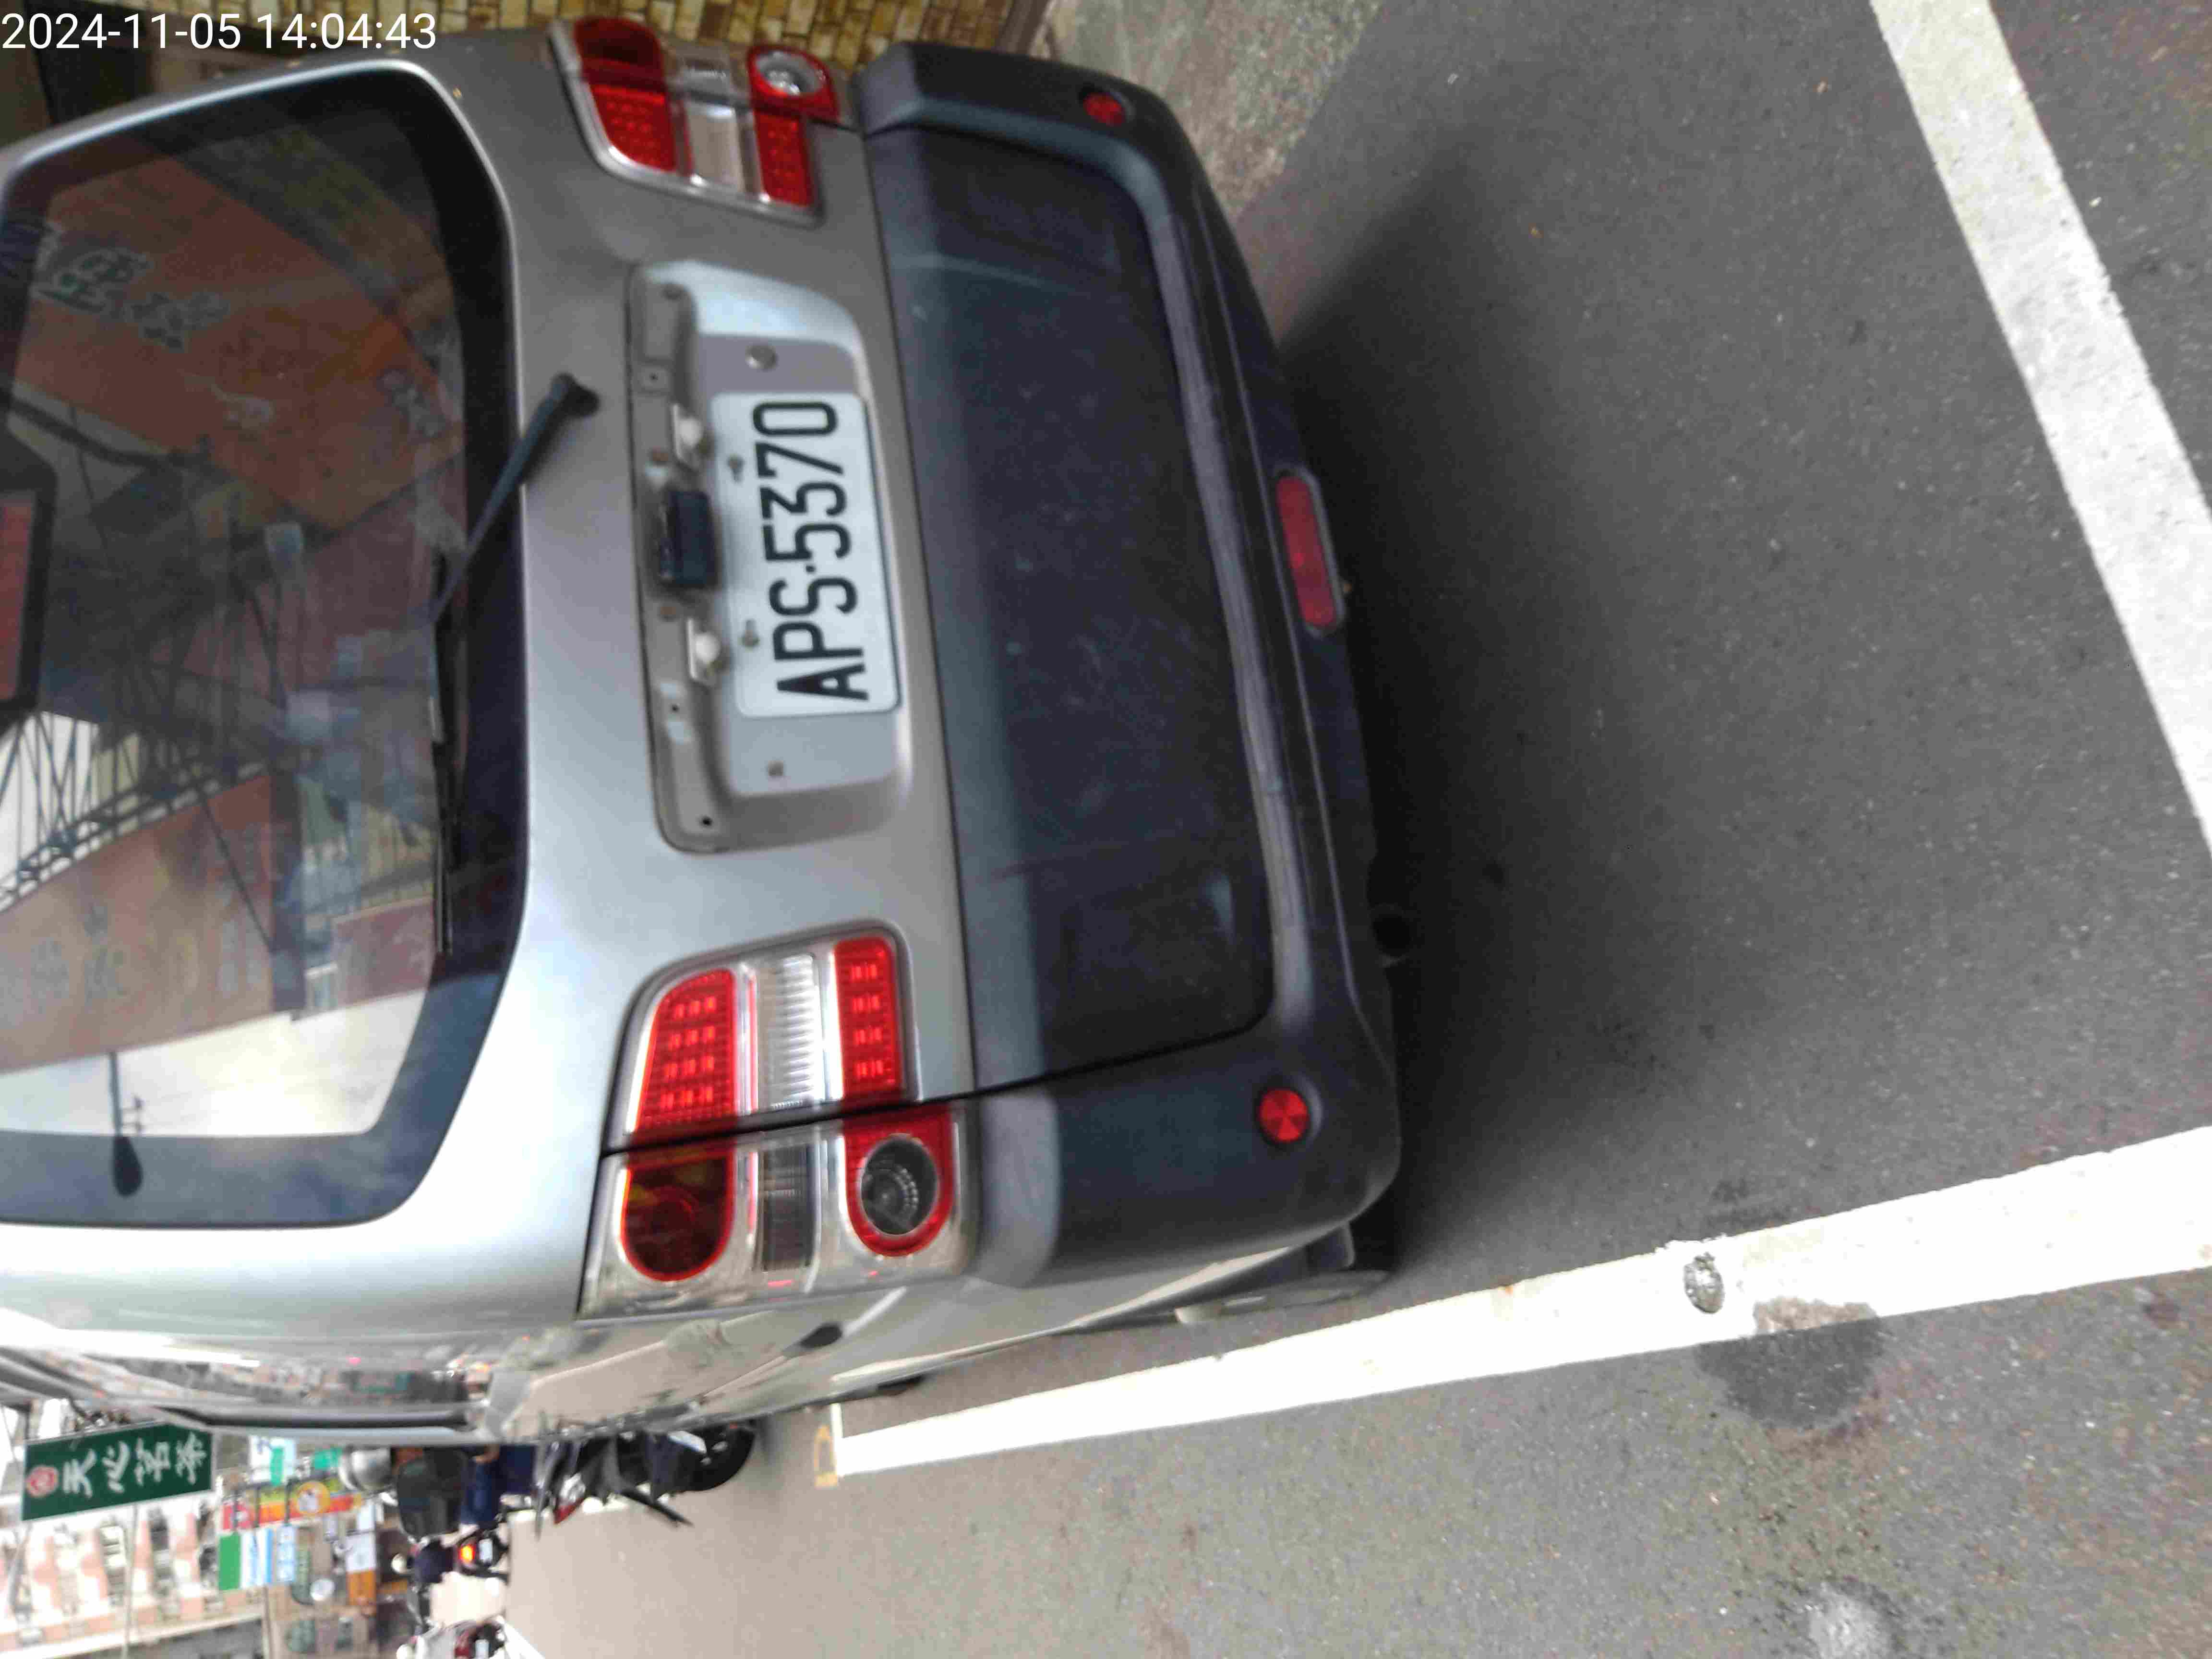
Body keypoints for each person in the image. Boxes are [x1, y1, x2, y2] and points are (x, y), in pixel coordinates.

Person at [457, 1444, 536, 1532]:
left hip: (519, 1453)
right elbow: (485, 1512)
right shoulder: (465, 1513)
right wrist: (482, 1463)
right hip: (523, 1465)